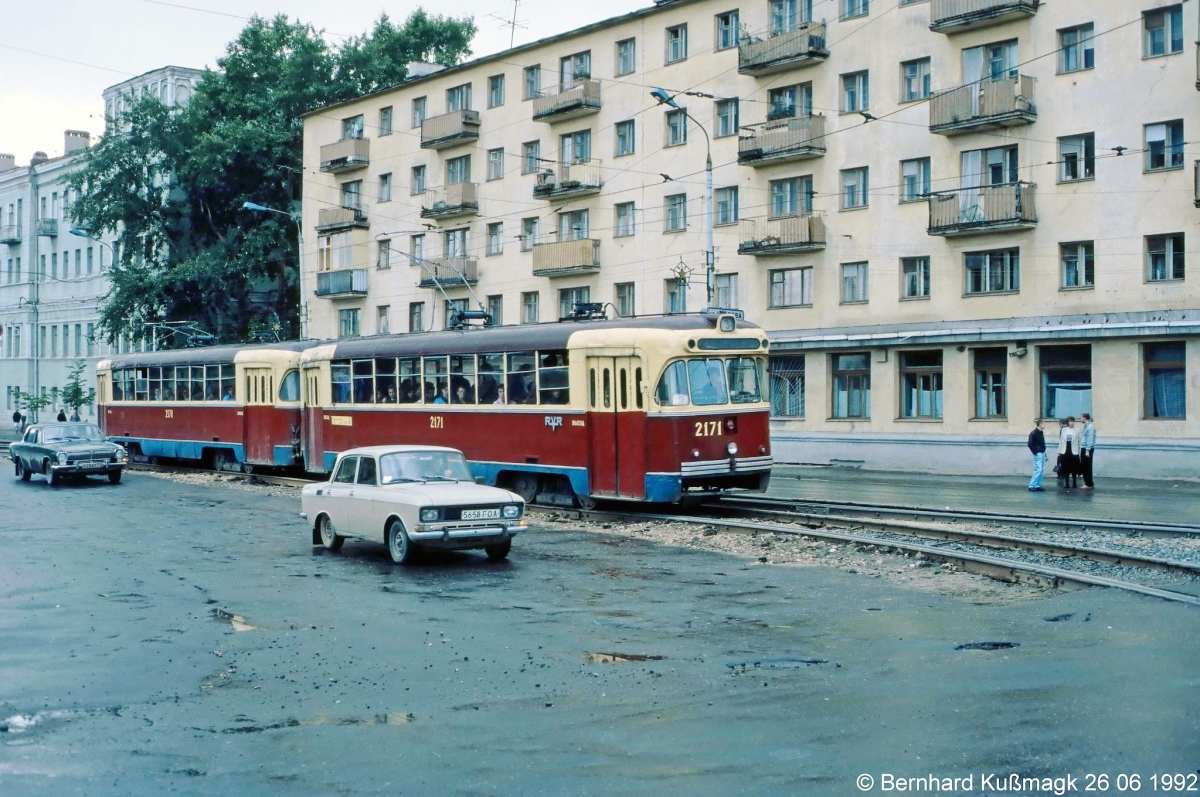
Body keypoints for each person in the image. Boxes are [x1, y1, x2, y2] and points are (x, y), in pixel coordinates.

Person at [1058, 416, 1080, 489]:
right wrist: (1059, 451)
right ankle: (1066, 483)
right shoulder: (1064, 430)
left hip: (1073, 451)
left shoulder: (1077, 430)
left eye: (1073, 421)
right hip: (1065, 450)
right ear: (1068, 422)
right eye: (1070, 421)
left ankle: (1074, 483)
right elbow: (1061, 441)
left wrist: (1079, 451)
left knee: (1074, 468)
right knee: (1066, 468)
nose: (1071, 422)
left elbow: (1079, 441)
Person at [1027, 418, 1047, 492]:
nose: (1044, 425)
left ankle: (1037, 485)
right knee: (1038, 469)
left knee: (1042, 470)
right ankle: (1032, 485)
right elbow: (1030, 444)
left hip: (1042, 452)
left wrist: (1045, 455)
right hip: (1038, 453)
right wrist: (1035, 452)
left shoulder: (1041, 432)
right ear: (1040, 424)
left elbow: (1042, 444)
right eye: (1043, 423)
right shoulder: (1034, 433)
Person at [1079, 412, 1096, 489]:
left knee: (1087, 466)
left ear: (1084, 418)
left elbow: (1090, 440)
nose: (1080, 419)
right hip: (1084, 448)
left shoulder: (1090, 427)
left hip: (1087, 449)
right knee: (1084, 466)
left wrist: (1087, 450)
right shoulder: (1086, 426)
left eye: (1081, 418)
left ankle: (1089, 483)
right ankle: (1087, 482)